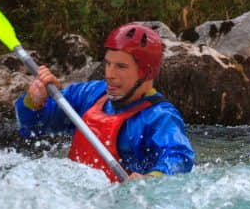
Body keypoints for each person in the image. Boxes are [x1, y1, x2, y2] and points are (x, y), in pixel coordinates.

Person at [14, 23, 194, 181]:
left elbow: (179, 158)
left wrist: (150, 180)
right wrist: (34, 100)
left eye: (121, 67)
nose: (109, 74)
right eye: (108, 64)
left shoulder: (160, 117)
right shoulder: (91, 93)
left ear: (146, 73)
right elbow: (32, 129)